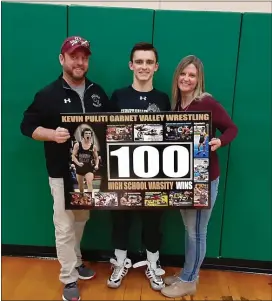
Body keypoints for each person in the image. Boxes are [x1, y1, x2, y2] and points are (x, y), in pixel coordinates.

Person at [20, 36, 115, 301]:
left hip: (89, 174)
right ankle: (68, 277)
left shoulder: (97, 92)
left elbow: (110, 128)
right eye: (74, 56)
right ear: (62, 59)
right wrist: (51, 134)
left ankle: (76, 260)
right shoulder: (48, 94)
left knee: (81, 220)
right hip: (62, 173)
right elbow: (27, 127)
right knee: (63, 226)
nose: (79, 62)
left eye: (84, 57)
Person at [160, 55, 238, 298]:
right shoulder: (176, 105)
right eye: (183, 74)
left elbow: (232, 128)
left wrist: (220, 141)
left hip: (204, 179)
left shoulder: (208, 103)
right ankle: (187, 272)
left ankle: (190, 280)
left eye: (192, 75)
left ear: (198, 79)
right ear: (177, 76)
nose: (186, 78)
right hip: (183, 178)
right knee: (189, 228)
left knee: (197, 231)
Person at [106, 42, 171, 291]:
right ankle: (120, 262)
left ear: (156, 67)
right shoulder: (119, 96)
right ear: (131, 65)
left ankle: (153, 264)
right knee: (120, 219)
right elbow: (106, 134)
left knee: (153, 221)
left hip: (154, 174)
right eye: (139, 62)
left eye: (148, 62)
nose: (144, 66)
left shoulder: (163, 98)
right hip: (122, 173)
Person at [72, 127, 99, 194]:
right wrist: (78, 163)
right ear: (83, 135)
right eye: (86, 133)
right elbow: (73, 156)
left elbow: (96, 157)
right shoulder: (77, 145)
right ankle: (82, 198)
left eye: (89, 133)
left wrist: (96, 165)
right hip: (79, 168)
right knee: (81, 187)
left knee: (89, 182)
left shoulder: (93, 147)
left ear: (91, 135)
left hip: (89, 168)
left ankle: (89, 200)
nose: (88, 135)